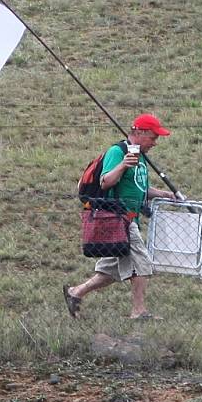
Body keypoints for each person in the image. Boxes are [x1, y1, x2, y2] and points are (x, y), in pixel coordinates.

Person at [64, 113, 177, 320]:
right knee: (141, 263)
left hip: (129, 219)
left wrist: (164, 194)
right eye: (153, 137)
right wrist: (124, 164)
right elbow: (105, 181)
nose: (155, 143)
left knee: (111, 271)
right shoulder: (118, 152)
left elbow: (139, 187)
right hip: (119, 218)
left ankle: (75, 292)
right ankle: (139, 311)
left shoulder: (140, 157)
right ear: (140, 133)